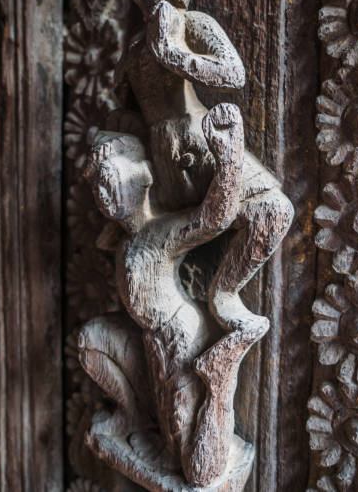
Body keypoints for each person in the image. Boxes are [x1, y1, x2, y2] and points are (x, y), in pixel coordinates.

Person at [124, 0, 294, 356]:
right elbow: (127, 114)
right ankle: (186, 329)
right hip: (166, 166)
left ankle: (224, 293)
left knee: (272, 213)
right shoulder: (135, 48)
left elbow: (232, 73)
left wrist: (176, 56)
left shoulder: (188, 24)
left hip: (202, 145)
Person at [83, 103, 257, 486]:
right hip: (151, 341)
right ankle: (130, 416)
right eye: (96, 186)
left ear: (143, 176)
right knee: (90, 342)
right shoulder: (122, 237)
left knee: (199, 471)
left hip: (180, 337)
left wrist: (228, 160)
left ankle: (220, 376)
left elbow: (214, 217)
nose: (102, 194)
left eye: (109, 179)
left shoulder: (160, 236)